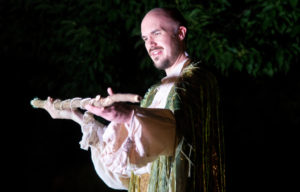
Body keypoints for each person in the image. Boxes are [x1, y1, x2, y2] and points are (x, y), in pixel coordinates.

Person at [43, 7, 226, 192]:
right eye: (145, 38)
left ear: (180, 33)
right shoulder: (156, 91)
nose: (150, 44)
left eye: (156, 33)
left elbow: (176, 136)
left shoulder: (198, 80)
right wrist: (75, 116)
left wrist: (128, 115)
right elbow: (131, 158)